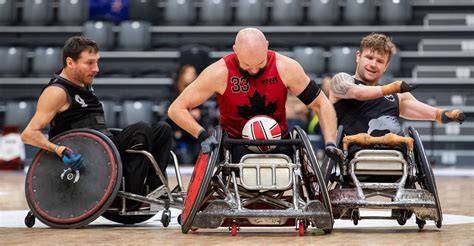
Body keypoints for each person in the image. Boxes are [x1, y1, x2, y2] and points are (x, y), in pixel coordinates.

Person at [21, 36, 172, 209]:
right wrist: (59, 150)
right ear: (70, 63)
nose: (96, 69)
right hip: (87, 155)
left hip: (104, 148)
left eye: (97, 62)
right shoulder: (56, 92)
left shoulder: (83, 84)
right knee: (141, 129)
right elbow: (28, 134)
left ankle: (154, 189)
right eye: (89, 63)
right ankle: (131, 196)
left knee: (163, 129)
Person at [168, 27, 344, 162]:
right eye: (246, 65)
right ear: (235, 50)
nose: (253, 69)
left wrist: (329, 142)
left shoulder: (286, 67)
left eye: (259, 63)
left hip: (278, 143)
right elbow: (176, 109)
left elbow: (321, 103)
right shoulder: (219, 72)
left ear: (266, 46)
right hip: (235, 145)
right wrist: (203, 135)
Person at [328, 33, 465, 141]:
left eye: (380, 61)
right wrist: (392, 88)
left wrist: (446, 115)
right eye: (369, 58)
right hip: (353, 153)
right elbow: (358, 93)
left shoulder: (397, 95)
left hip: (395, 153)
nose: (373, 64)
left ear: (386, 66)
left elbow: (434, 114)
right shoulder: (341, 81)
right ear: (358, 56)